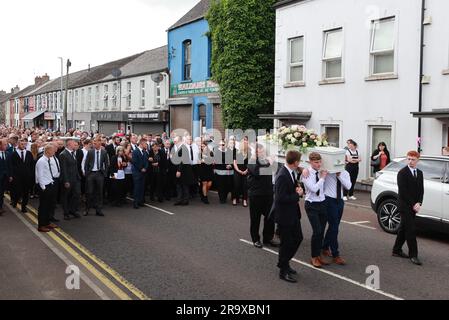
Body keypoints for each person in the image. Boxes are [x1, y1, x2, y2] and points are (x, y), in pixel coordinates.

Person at [274, 150, 304, 283]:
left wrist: (298, 190)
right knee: (287, 243)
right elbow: (280, 198)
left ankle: (284, 262)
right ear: (296, 162)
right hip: (285, 215)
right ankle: (283, 270)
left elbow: (291, 190)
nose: (300, 163)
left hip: (293, 213)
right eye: (299, 161)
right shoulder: (282, 175)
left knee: (298, 238)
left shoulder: (291, 172)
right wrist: (297, 195)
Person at [392, 151, 424, 266]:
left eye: (413, 159)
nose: (410, 161)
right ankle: (413, 255)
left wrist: (419, 202)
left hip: (414, 205)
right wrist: (414, 204)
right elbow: (403, 192)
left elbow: (421, 190)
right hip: (404, 205)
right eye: (408, 159)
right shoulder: (402, 173)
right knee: (410, 229)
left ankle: (396, 250)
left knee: (403, 228)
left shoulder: (420, 173)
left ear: (417, 160)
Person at [301, 152, 330, 268]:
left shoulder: (320, 171)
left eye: (319, 162)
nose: (319, 164)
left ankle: (318, 255)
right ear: (310, 162)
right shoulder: (306, 173)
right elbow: (313, 189)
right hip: (311, 204)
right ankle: (313, 257)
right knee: (317, 231)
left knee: (321, 231)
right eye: (316, 162)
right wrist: (322, 178)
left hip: (322, 203)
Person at [247, 143, 277, 249]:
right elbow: (257, 172)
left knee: (270, 218)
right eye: (259, 150)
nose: (262, 152)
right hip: (255, 195)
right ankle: (255, 239)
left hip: (268, 194)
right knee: (255, 218)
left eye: (262, 150)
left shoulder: (265, 161)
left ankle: (268, 238)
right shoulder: (251, 161)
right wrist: (269, 162)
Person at [322, 168, 352, 265]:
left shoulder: (345, 173)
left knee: (333, 226)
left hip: (340, 201)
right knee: (334, 227)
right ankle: (336, 254)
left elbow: (348, 186)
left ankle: (325, 246)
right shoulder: (328, 172)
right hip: (329, 200)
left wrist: (339, 176)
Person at [35, 144, 60, 232]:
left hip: (50, 184)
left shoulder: (48, 159)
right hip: (44, 186)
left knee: (49, 206)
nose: (54, 152)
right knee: (43, 207)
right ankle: (41, 225)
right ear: (48, 151)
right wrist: (43, 188)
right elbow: (40, 176)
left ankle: (47, 222)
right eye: (53, 150)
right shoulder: (41, 161)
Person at [84, 138, 109, 216]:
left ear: (100, 144)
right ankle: (87, 209)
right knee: (89, 192)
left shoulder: (104, 152)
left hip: (99, 174)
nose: (94, 145)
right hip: (91, 174)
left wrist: (104, 173)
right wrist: (87, 173)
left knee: (99, 193)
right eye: (94, 143)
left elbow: (106, 164)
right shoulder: (90, 152)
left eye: (96, 143)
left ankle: (99, 210)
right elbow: (86, 163)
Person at [59, 138, 82, 220]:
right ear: (69, 144)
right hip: (68, 180)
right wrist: (66, 181)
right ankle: (66, 213)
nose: (75, 144)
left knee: (77, 194)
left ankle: (72, 210)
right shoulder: (63, 154)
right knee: (66, 196)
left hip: (75, 179)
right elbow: (63, 169)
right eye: (73, 143)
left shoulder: (73, 153)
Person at [10, 138, 34, 213]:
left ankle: (24, 207)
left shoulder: (29, 153)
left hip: (27, 177)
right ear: (18, 144)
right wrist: (12, 176)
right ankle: (15, 201)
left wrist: (31, 175)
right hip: (17, 177)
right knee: (17, 191)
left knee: (26, 193)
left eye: (25, 144)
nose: (23, 145)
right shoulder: (14, 154)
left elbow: (31, 165)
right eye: (21, 144)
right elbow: (11, 166)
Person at [173, 136, 194, 206]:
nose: (174, 143)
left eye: (175, 141)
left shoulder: (183, 148)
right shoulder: (180, 147)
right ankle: (179, 200)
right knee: (179, 186)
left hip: (183, 171)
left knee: (184, 186)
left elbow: (182, 160)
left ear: (179, 141)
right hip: (181, 170)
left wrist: (179, 170)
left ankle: (185, 200)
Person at [214, 139, 234, 204]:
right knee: (220, 186)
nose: (221, 146)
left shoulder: (229, 151)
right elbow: (215, 161)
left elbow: (233, 160)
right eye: (220, 145)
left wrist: (231, 165)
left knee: (227, 185)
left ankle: (224, 197)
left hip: (228, 172)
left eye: (223, 144)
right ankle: (221, 199)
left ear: (225, 145)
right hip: (219, 171)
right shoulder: (216, 151)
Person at [233, 137, 250, 207]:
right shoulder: (236, 151)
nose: (245, 143)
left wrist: (246, 170)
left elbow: (250, 163)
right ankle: (235, 198)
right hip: (237, 170)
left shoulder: (249, 153)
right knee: (236, 185)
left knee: (245, 186)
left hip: (246, 171)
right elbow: (234, 162)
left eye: (246, 142)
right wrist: (238, 170)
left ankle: (244, 200)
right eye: (243, 142)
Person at [132, 138, 149, 209]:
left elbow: (146, 161)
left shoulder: (145, 152)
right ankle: (135, 203)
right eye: (145, 144)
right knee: (137, 188)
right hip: (137, 173)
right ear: (142, 144)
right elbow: (135, 162)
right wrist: (141, 168)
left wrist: (145, 168)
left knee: (142, 187)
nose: (146, 145)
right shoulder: (135, 151)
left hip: (143, 173)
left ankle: (140, 201)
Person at [0, 139, 11, 216]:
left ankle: (0, 206)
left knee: (1, 193)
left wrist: (10, 175)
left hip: (4, 177)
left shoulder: (7, 153)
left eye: (6, 144)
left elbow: (9, 166)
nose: (6, 146)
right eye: (4, 144)